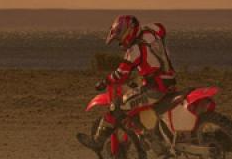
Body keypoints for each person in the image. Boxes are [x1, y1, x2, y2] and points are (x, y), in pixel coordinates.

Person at [76, 14, 177, 151]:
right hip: (169, 80)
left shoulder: (135, 50)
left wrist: (105, 82)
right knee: (137, 100)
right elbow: (162, 29)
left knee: (117, 108)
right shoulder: (152, 30)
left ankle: (98, 141)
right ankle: (153, 137)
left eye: (120, 37)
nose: (120, 42)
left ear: (128, 32)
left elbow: (121, 74)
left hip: (156, 88)